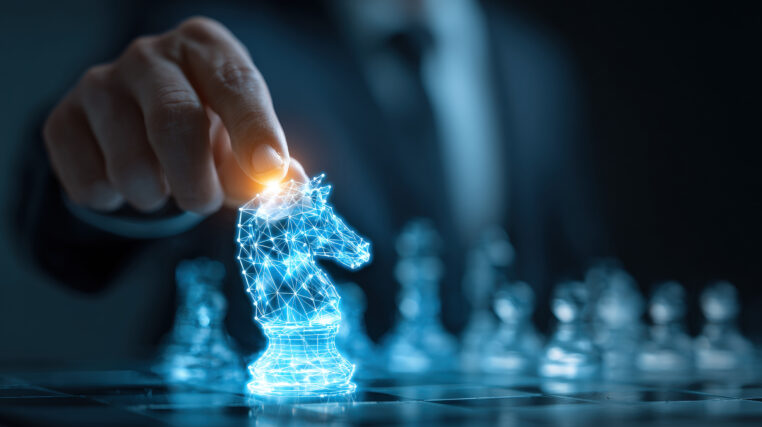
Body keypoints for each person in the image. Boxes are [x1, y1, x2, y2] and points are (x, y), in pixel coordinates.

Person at [15, 0, 605, 356]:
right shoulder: (223, 31)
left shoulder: (536, 66)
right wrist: (110, 174)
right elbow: (68, 228)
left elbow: (564, 267)